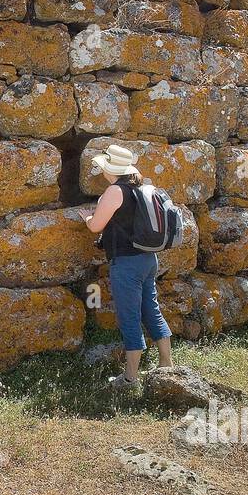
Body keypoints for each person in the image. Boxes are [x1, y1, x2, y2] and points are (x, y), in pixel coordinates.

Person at [80, 144, 173, 390]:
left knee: (128, 317)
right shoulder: (141, 185)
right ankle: (166, 365)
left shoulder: (115, 191)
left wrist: (87, 217)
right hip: (148, 259)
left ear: (108, 169)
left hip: (126, 264)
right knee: (151, 309)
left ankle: (130, 378)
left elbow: (96, 226)